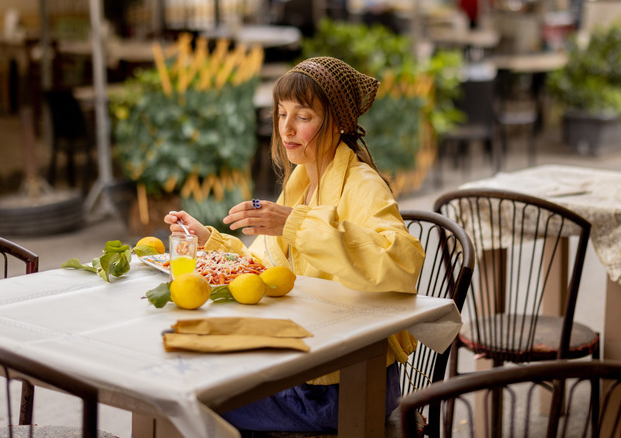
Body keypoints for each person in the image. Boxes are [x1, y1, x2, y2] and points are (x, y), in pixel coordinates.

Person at [164, 56, 425, 434]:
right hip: (306, 366)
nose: (286, 128)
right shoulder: (302, 181)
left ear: (338, 121)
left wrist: (293, 223)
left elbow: (403, 263)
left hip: (347, 383)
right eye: (281, 114)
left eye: (303, 116)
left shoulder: (363, 185)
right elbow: (266, 268)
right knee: (188, 374)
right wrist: (209, 241)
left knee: (189, 398)